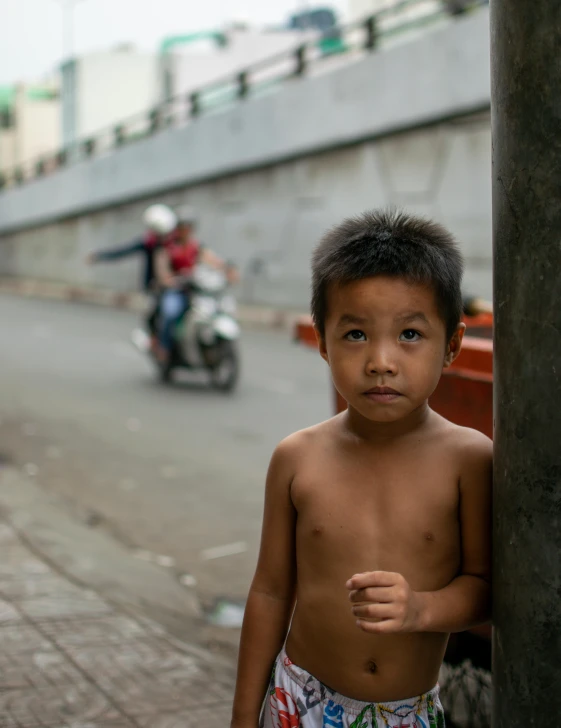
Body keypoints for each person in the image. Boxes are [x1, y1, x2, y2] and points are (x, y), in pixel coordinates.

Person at [231, 209, 492, 728]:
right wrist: (243, 715)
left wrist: (421, 610)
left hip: (408, 712)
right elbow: (270, 591)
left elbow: (485, 589)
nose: (381, 361)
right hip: (297, 699)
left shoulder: (471, 459)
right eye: (355, 335)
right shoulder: (296, 458)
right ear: (323, 342)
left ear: (453, 346)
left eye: (410, 334)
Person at [153, 205, 232, 363]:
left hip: (196, 291)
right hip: (178, 290)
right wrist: (169, 279)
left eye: (189, 226)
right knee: (170, 312)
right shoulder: (168, 248)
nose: (186, 230)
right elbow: (162, 269)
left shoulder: (196, 247)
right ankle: (164, 348)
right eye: (183, 226)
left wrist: (227, 269)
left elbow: (213, 260)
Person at [87, 204, 177, 336]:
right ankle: (156, 342)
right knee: (155, 314)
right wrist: (99, 256)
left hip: (174, 283)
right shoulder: (148, 243)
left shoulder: (175, 243)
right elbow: (121, 251)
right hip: (154, 286)